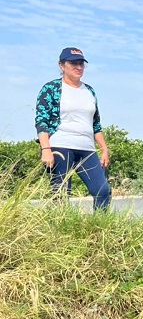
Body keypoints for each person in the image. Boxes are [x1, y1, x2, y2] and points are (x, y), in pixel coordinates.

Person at [35, 47, 111, 210]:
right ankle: (57, 232)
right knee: (60, 193)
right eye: (73, 63)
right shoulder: (51, 88)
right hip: (60, 146)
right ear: (62, 66)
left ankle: (100, 229)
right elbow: (42, 121)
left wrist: (104, 148)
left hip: (86, 148)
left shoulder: (89, 91)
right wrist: (45, 149)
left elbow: (95, 124)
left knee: (102, 190)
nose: (78, 67)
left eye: (81, 64)